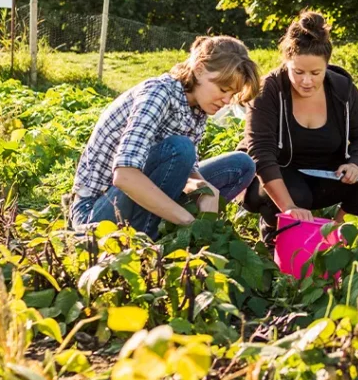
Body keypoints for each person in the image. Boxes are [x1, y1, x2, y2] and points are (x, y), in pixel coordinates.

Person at [69, 36, 261, 239]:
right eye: (223, 90)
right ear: (199, 69)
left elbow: (184, 169)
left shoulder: (197, 107)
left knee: (242, 165)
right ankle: (151, 240)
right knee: (180, 148)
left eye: (232, 94)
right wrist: (187, 220)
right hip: (97, 212)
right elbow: (124, 176)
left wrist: (204, 188)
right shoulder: (158, 94)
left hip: (141, 195)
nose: (226, 100)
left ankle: (175, 234)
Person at [239, 11, 358, 245]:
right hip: (272, 177)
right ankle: (274, 229)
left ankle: (335, 235)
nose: (307, 81)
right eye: (298, 72)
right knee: (297, 197)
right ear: (287, 64)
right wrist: (289, 207)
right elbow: (261, 154)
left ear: (326, 66)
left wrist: (356, 164)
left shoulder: (342, 89)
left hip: (321, 174)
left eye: (316, 73)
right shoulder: (269, 91)